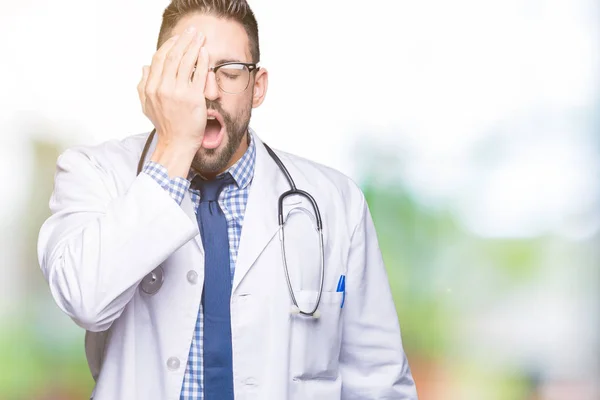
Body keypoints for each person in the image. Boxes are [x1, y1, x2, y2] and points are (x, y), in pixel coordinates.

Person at [37, 1, 417, 399]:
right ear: (157, 83)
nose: (209, 92)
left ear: (258, 87)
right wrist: (174, 148)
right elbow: (84, 300)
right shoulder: (94, 173)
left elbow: (379, 383)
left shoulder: (336, 203)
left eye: (230, 72)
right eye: (189, 72)